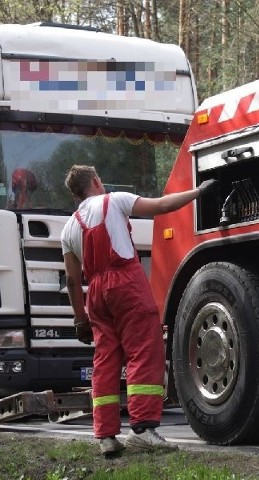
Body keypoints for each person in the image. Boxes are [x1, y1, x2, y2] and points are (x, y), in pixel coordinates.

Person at [60, 165, 216, 457]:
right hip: (125, 284)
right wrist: (198, 192)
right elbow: (160, 206)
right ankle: (142, 429)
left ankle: (106, 436)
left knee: (105, 359)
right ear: (96, 181)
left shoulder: (69, 227)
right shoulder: (114, 200)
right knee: (144, 350)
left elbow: (71, 279)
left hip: (96, 292)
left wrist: (80, 318)